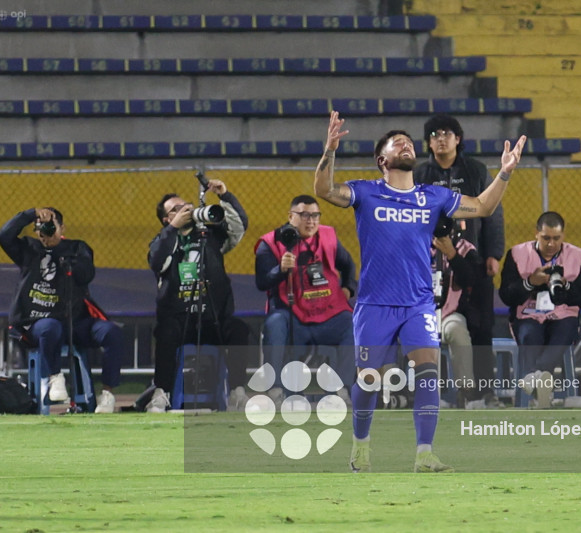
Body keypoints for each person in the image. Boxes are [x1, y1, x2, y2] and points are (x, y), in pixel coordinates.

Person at [315, 110, 527, 473]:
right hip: (375, 303)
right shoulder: (366, 192)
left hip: (418, 303)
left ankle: (425, 454)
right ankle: (360, 447)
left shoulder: (433, 196)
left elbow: (485, 206)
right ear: (383, 160)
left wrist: (505, 171)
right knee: (368, 379)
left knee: (429, 369)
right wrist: (330, 151)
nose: (406, 145)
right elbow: (323, 191)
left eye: (408, 142)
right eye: (398, 144)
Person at [414, 114, 505, 407]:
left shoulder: (476, 171)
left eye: (447, 133)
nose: (441, 139)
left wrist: (494, 253)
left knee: (482, 327)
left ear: (458, 138)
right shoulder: (420, 175)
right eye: (435, 134)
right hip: (432, 262)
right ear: (428, 142)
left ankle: (485, 391)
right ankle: (430, 394)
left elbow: (493, 211)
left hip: (471, 260)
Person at [0, 207, 123, 413]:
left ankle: (107, 393)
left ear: (62, 227)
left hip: (75, 321)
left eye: (50, 226)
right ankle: (54, 377)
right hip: (40, 322)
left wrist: (58, 247)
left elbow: (86, 275)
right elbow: (4, 235)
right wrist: (31, 213)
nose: (44, 232)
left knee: (111, 332)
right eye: (40, 227)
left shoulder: (77, 248)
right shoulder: (28, 249)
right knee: (50, 326)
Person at [147, 179, 250, 412]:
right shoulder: (163, 240)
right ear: (166, 219)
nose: (184, 210)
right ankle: (162, 393)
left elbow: (240, 225)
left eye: (186, 206)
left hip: (212, 318)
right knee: (165, 332)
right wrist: (172, 229)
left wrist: (225, 196)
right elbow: (156, 261)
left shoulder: (211, 237)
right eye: (175, 209)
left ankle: (237, 392)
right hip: (179, 320)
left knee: (238, 329)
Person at [254, 194, 357, 404]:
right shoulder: (270, 243)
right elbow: (262, 282)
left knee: (353, 324)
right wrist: (280, 270)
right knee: (274, 323)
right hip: (292, 317)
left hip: (326, 315)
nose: (311, 221)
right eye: (304, 215)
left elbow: (348, 264)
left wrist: (348, 288)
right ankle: (276, 390)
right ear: (291, 216)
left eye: (315, 215)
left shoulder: (328, 237)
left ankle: (342, 389)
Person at [499, 212, 581, 408]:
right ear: (536, 234)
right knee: (530, 335)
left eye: (556, 238)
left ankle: (534, 377)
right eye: (546, 238)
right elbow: (506, 296)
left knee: (564, 333)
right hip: (528, 313)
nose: (551, 244)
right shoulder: (516, 254)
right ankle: (542, 384)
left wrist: (565, 286)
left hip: (563, 313)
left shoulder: (578, 256)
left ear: (563, 236)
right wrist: (530, 282)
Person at [432, 219, 481, 407]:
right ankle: (403, 392)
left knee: (457, 330)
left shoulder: (465, 248)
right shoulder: (416, 243)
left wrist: (452, 255)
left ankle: (465, 390)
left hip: (450, 313)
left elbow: (471, 279)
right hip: (419, 315)